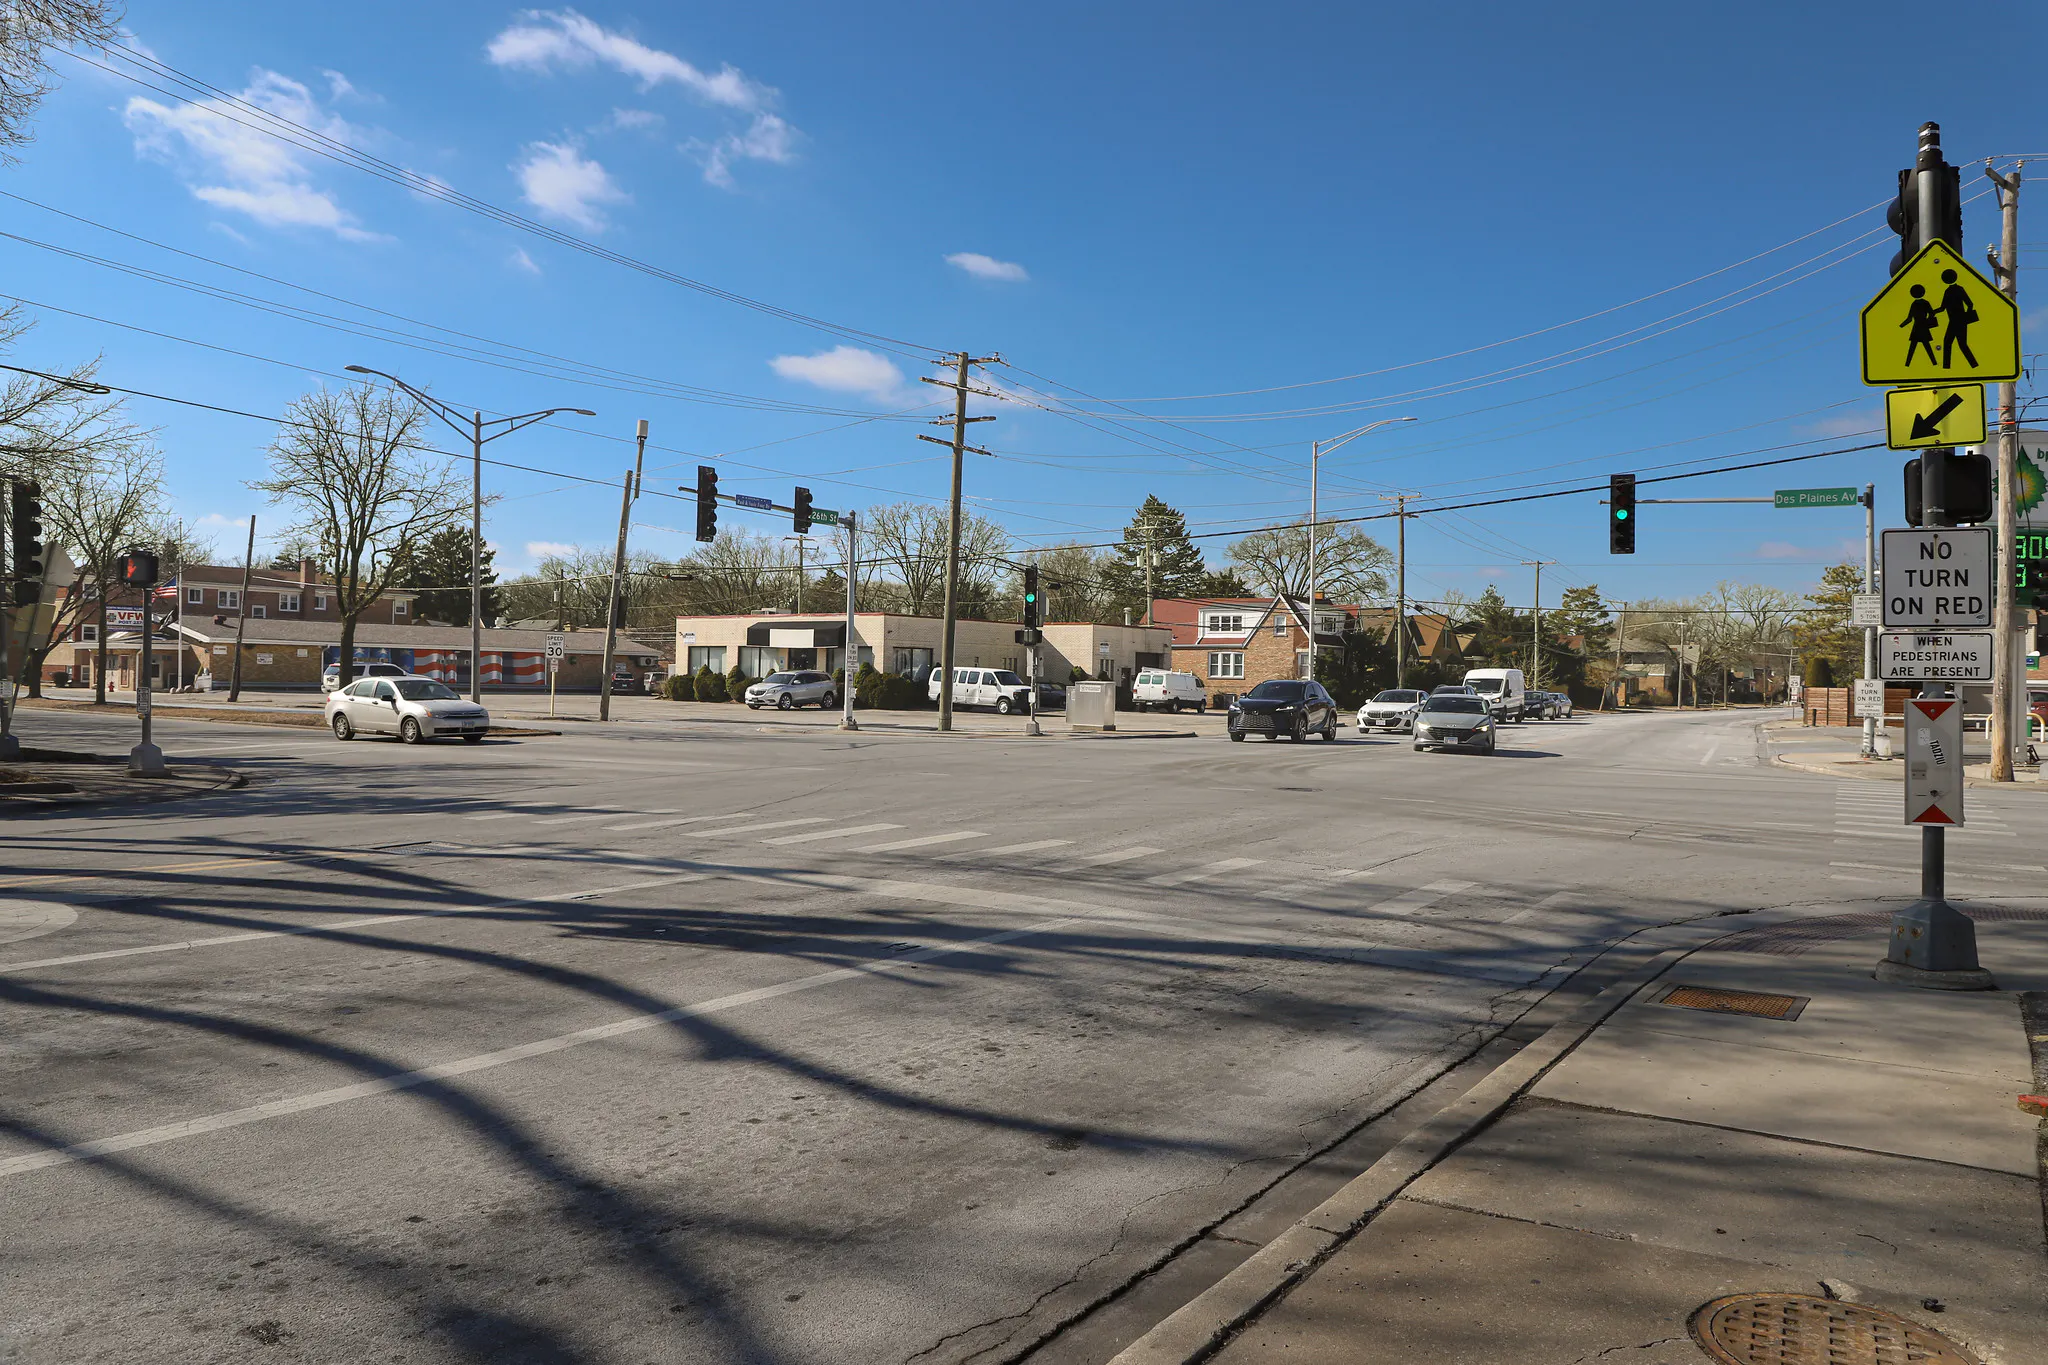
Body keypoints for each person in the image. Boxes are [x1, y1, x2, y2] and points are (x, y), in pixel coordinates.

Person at [1938, 268, 1978, 369]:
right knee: (1950, 342)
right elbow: (1942, 308)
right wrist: (1932, 312)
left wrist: (1966, 317)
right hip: (1954, 321)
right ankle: (1947, 367)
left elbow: (1970, 304)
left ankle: (1973, 365)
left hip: (1959, 321)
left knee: (1959, 344)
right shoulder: (1948, 291)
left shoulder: (1958, 289)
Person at [1900, 284, 1939, 367]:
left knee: (1913, 347)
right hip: (1923, 327)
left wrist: (1901, 325)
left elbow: (1909, 318)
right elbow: (1931, 313)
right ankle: (1934, 363)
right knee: (1926, 346)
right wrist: (1927, 321)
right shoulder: (1925, 303)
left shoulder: (1914, 304)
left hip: (1917, 327)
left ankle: (1907, 364)